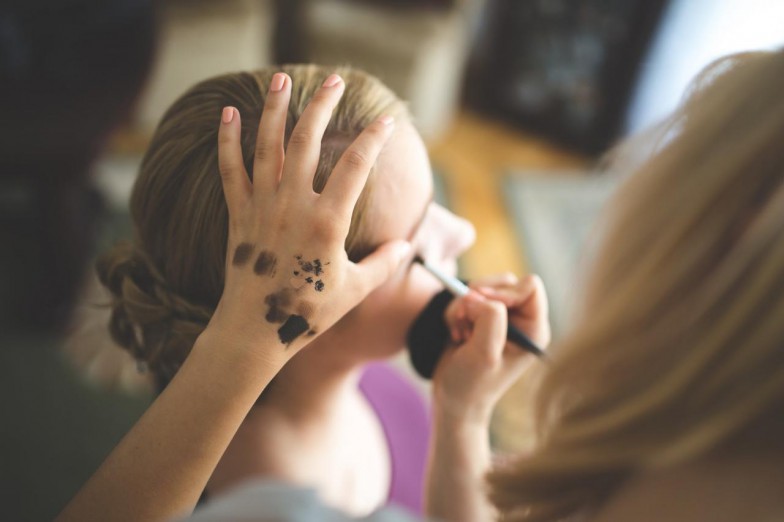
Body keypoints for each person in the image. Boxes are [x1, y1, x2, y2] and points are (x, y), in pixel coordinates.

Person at [94, 64, 475, 515]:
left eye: (435, 205)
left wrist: (464, 412)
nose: (464, 233)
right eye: (416, 254)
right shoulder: (267, 508)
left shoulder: (383, 387)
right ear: (308, 310)